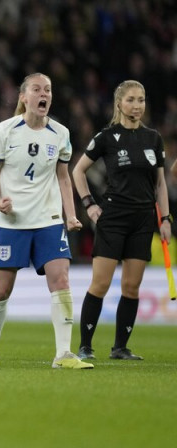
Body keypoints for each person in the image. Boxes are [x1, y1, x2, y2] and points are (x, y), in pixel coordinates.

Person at [0, 73, 93, 369]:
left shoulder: (60, 133)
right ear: (24, 97)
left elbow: (63, 177)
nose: (43, 94)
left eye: (48, 89)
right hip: (11, 222)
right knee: (1, 289)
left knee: (61, 279)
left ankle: (63, 354)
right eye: (37, 89)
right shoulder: (6, 130)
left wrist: (71, 215)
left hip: (48, 220)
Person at [72, 80, 170, 361]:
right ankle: (85, 346)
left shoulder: (153, 138)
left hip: (143, 219)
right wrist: (89, 205)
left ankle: (120, 348)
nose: (137, 106)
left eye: (141, 100)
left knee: (131, 286)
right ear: (119, 103)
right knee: (100, 284)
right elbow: (78, 171)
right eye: (131, 100)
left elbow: (160, 185)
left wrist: (165, 219)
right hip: (113, 218)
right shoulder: (106, 136)